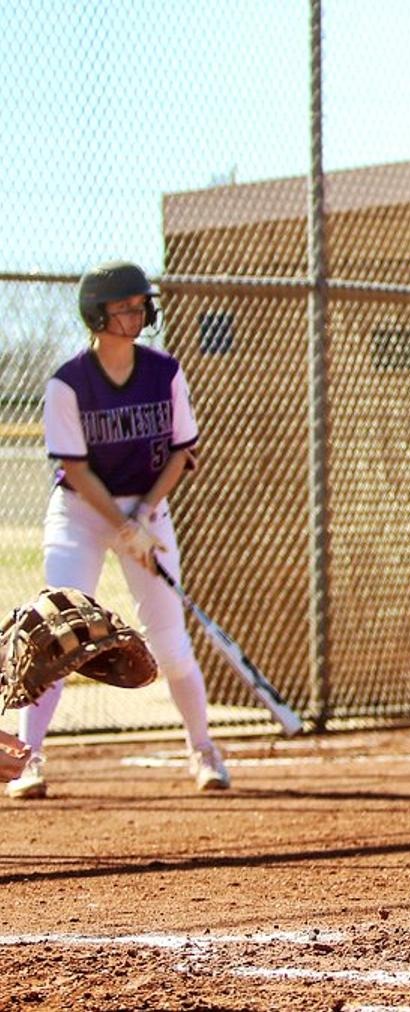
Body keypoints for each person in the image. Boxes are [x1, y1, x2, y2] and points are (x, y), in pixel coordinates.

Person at [8, 261, 230, 800]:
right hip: (81, 511)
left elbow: (182, 452)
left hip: (147, 511)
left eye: (140, 305)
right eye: (124, 307)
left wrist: (143, 517)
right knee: (58, 636)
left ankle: (203, 749)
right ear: (96, 315)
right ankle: (28, 758)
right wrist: (121, 525)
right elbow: (76, 468)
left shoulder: (164, 371)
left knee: (170, 644)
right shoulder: (68, 383)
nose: (138, 313)